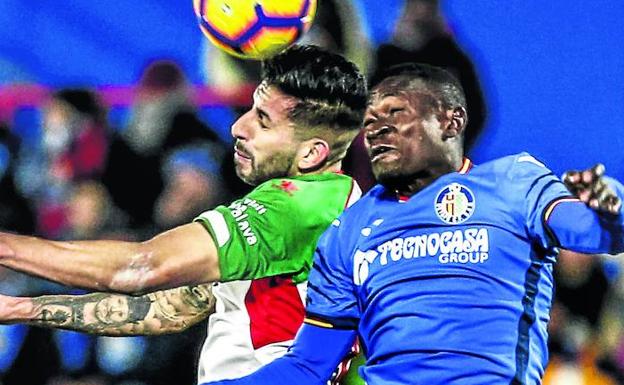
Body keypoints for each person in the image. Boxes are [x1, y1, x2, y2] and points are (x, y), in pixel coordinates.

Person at [192, 63, 624, 385]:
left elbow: (599, 232)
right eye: (369, 122)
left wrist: (610, 203)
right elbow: (308, 364)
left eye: (394, 114)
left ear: (451, 120)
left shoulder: (514, 182)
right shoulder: (349, 228)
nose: (375, 130)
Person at [0, 45, 367, 384]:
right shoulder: (326, 205)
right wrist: (21, 308)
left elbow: (141, 267)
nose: (238, 127)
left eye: (263, 121)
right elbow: (169, 307)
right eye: (250, 110)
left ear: (311, 154)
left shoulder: (294, 206)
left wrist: (7, 249)